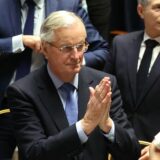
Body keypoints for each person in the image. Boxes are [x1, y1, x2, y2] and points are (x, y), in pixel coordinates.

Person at [7, 11, 140, 160]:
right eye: (66, 48)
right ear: (45, 49)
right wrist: (86, 125)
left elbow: (132, 153)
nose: (77, 56)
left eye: (80, 46)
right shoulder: (23, 92)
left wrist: (108, 125)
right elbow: (35, 153)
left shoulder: (104, 84)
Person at [0, 0, 108, 159]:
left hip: (48, 103)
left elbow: (102, 50)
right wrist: (18, 41)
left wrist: (72, 59)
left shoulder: (69, 4)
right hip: (4, 101)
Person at [104, 0, 160, 142]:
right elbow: (106, 92)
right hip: (119, 142)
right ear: (141, 11)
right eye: (158, 8)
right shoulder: (120, 44)